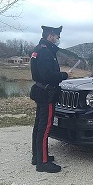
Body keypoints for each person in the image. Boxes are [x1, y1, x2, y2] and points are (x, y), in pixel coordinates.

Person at [29, 25, 70, 173]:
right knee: (45, 128)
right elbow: (48, 75)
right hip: (46, 93)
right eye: (57, 36)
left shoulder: (38, 49)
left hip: (40, 91)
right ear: (51, 36)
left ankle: (37, 156)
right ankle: (43, 162)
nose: (58, 39)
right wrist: (63, 75)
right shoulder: (46, 52)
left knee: (38, 126)